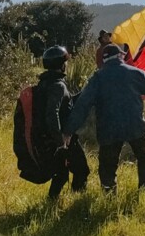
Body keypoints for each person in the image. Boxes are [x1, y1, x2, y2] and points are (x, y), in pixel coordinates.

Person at [65, 44, 145, 192]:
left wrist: (69, 129)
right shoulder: (134, 72)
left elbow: (82, 106)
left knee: (108, 165)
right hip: (135, 125)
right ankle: (144, 190)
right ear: (120, 56)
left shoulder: (97, 78)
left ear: (104, 60)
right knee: (143, 158)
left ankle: (109, 193)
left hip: (109, 128)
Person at [38, 45, 90, 200]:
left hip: (50, 137)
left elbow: (64, 104)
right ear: (61, 64)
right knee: (82, 170)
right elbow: (51, 113)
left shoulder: (45, 82)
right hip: (63, 138)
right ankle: (77, 202)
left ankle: (51, 202)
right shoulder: (58, 86)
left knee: (61, 173)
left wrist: (85, 93)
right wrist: (61, 142)